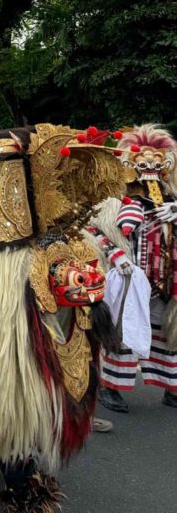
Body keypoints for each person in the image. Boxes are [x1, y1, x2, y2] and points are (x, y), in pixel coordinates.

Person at [87, 125, 177, 413]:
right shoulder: (114, 197)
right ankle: (110, 387)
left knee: (169, 332)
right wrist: (114, 253)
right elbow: (92, 229)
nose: (149, 167)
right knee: (124, 330)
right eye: (143, 162)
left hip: (168, 276)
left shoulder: (171, 195)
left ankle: (171, 386)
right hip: (132, 275)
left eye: (155, 162)